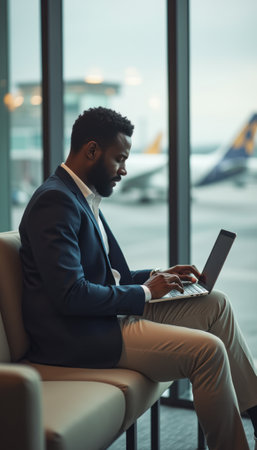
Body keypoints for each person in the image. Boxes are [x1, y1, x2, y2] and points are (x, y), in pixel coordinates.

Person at [19, 106, 257, 450]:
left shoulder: (82, 197)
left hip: (103, 317)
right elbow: (70, 295)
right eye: (119, 159)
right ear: (91, 151)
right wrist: (145, 292)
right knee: (209, 351)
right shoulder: (55, 202)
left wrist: (159, 276)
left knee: (214, 304)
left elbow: (115, 276)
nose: (124, 170)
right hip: (78, 336)